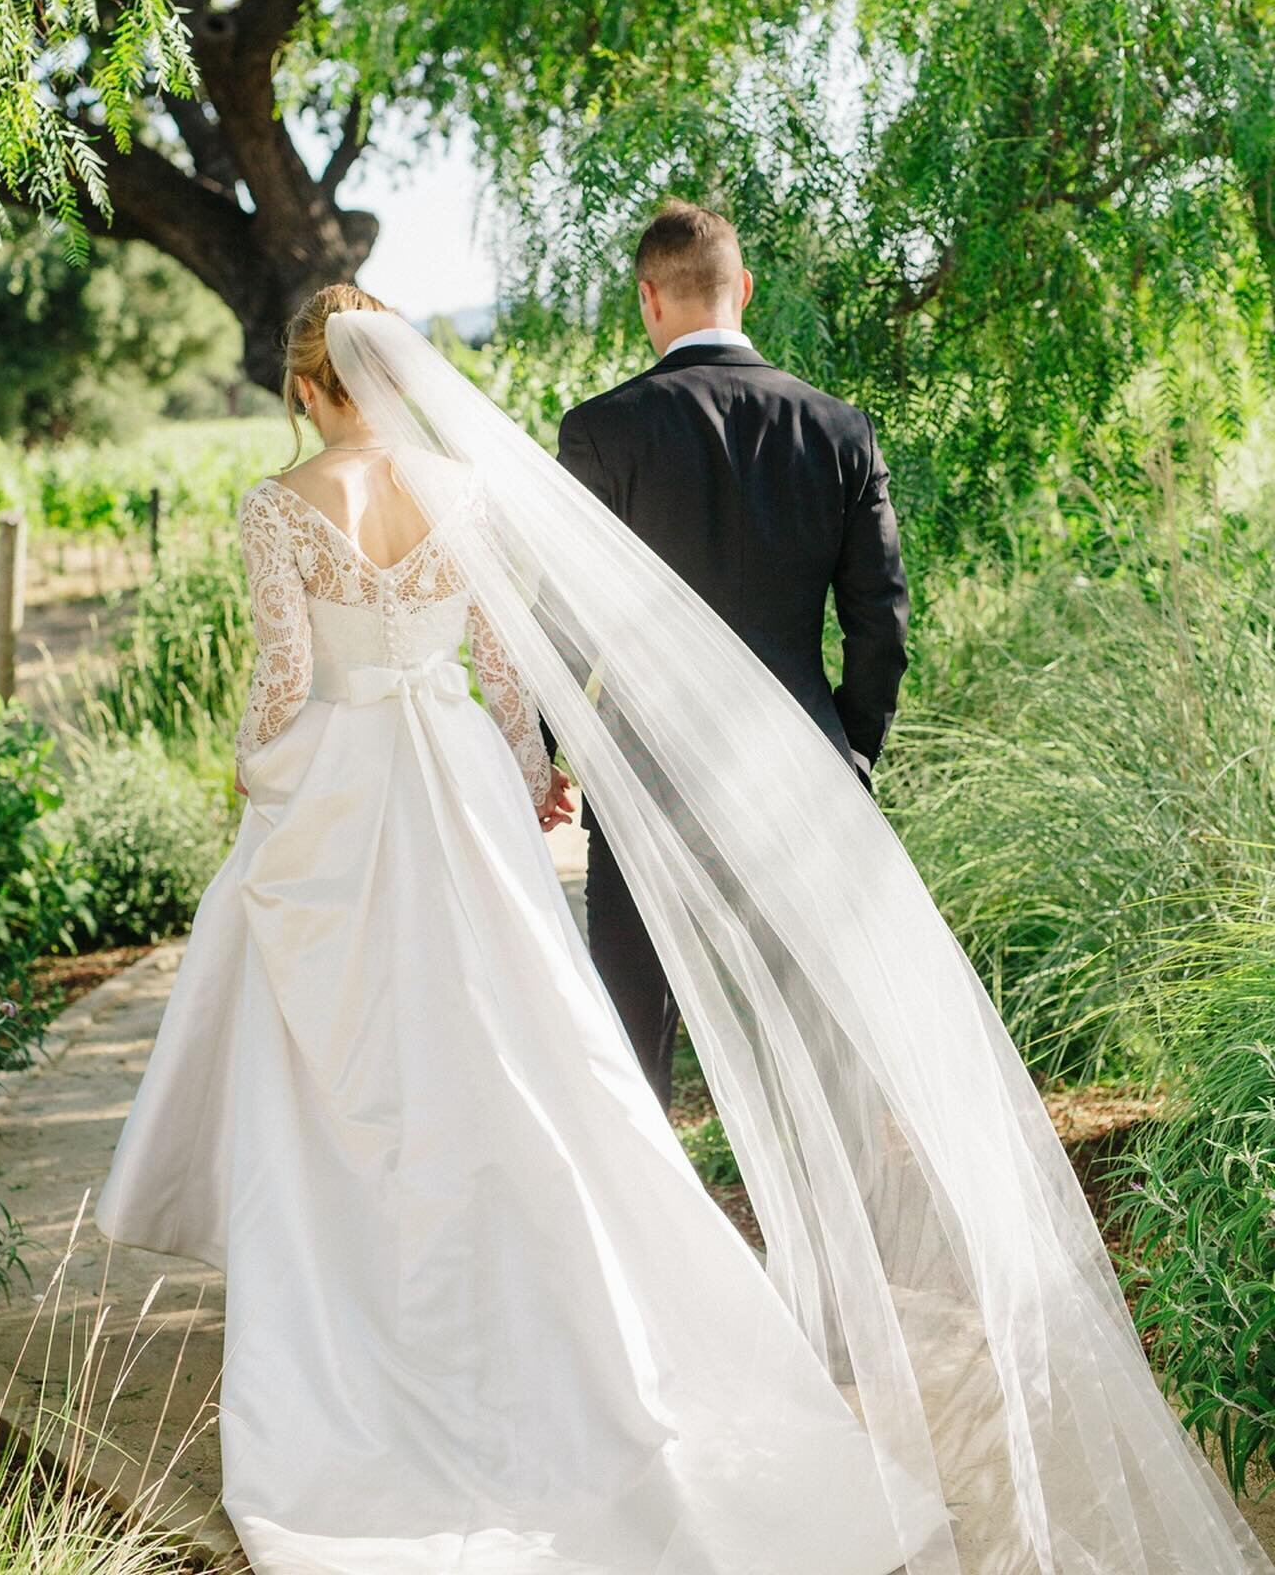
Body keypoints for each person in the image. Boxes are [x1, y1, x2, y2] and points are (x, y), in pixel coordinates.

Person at [94, 284, 1273, 1575]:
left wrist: (269, 789)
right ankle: (545, 1331)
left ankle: (357, 1336)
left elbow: (278, 686)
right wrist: (529, 776)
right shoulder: (464, 492)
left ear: (307, 389)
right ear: (389, 373)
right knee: (519, 1063)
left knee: (340, 1087)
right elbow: (503, 676)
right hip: (460, 804)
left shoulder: (278, 508)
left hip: (343, 801)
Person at [556, 202, 909, 1110]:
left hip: (646, 779)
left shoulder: (601, 433)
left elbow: (561, 618)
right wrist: (852, 752)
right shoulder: (837, 429)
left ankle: (645, 1241)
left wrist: (547, 749)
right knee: (817, 1038)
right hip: (798, 774)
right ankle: (835, 1243)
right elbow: (881, 625)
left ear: (648, 299)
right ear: (743, 289)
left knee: (633, 1037)